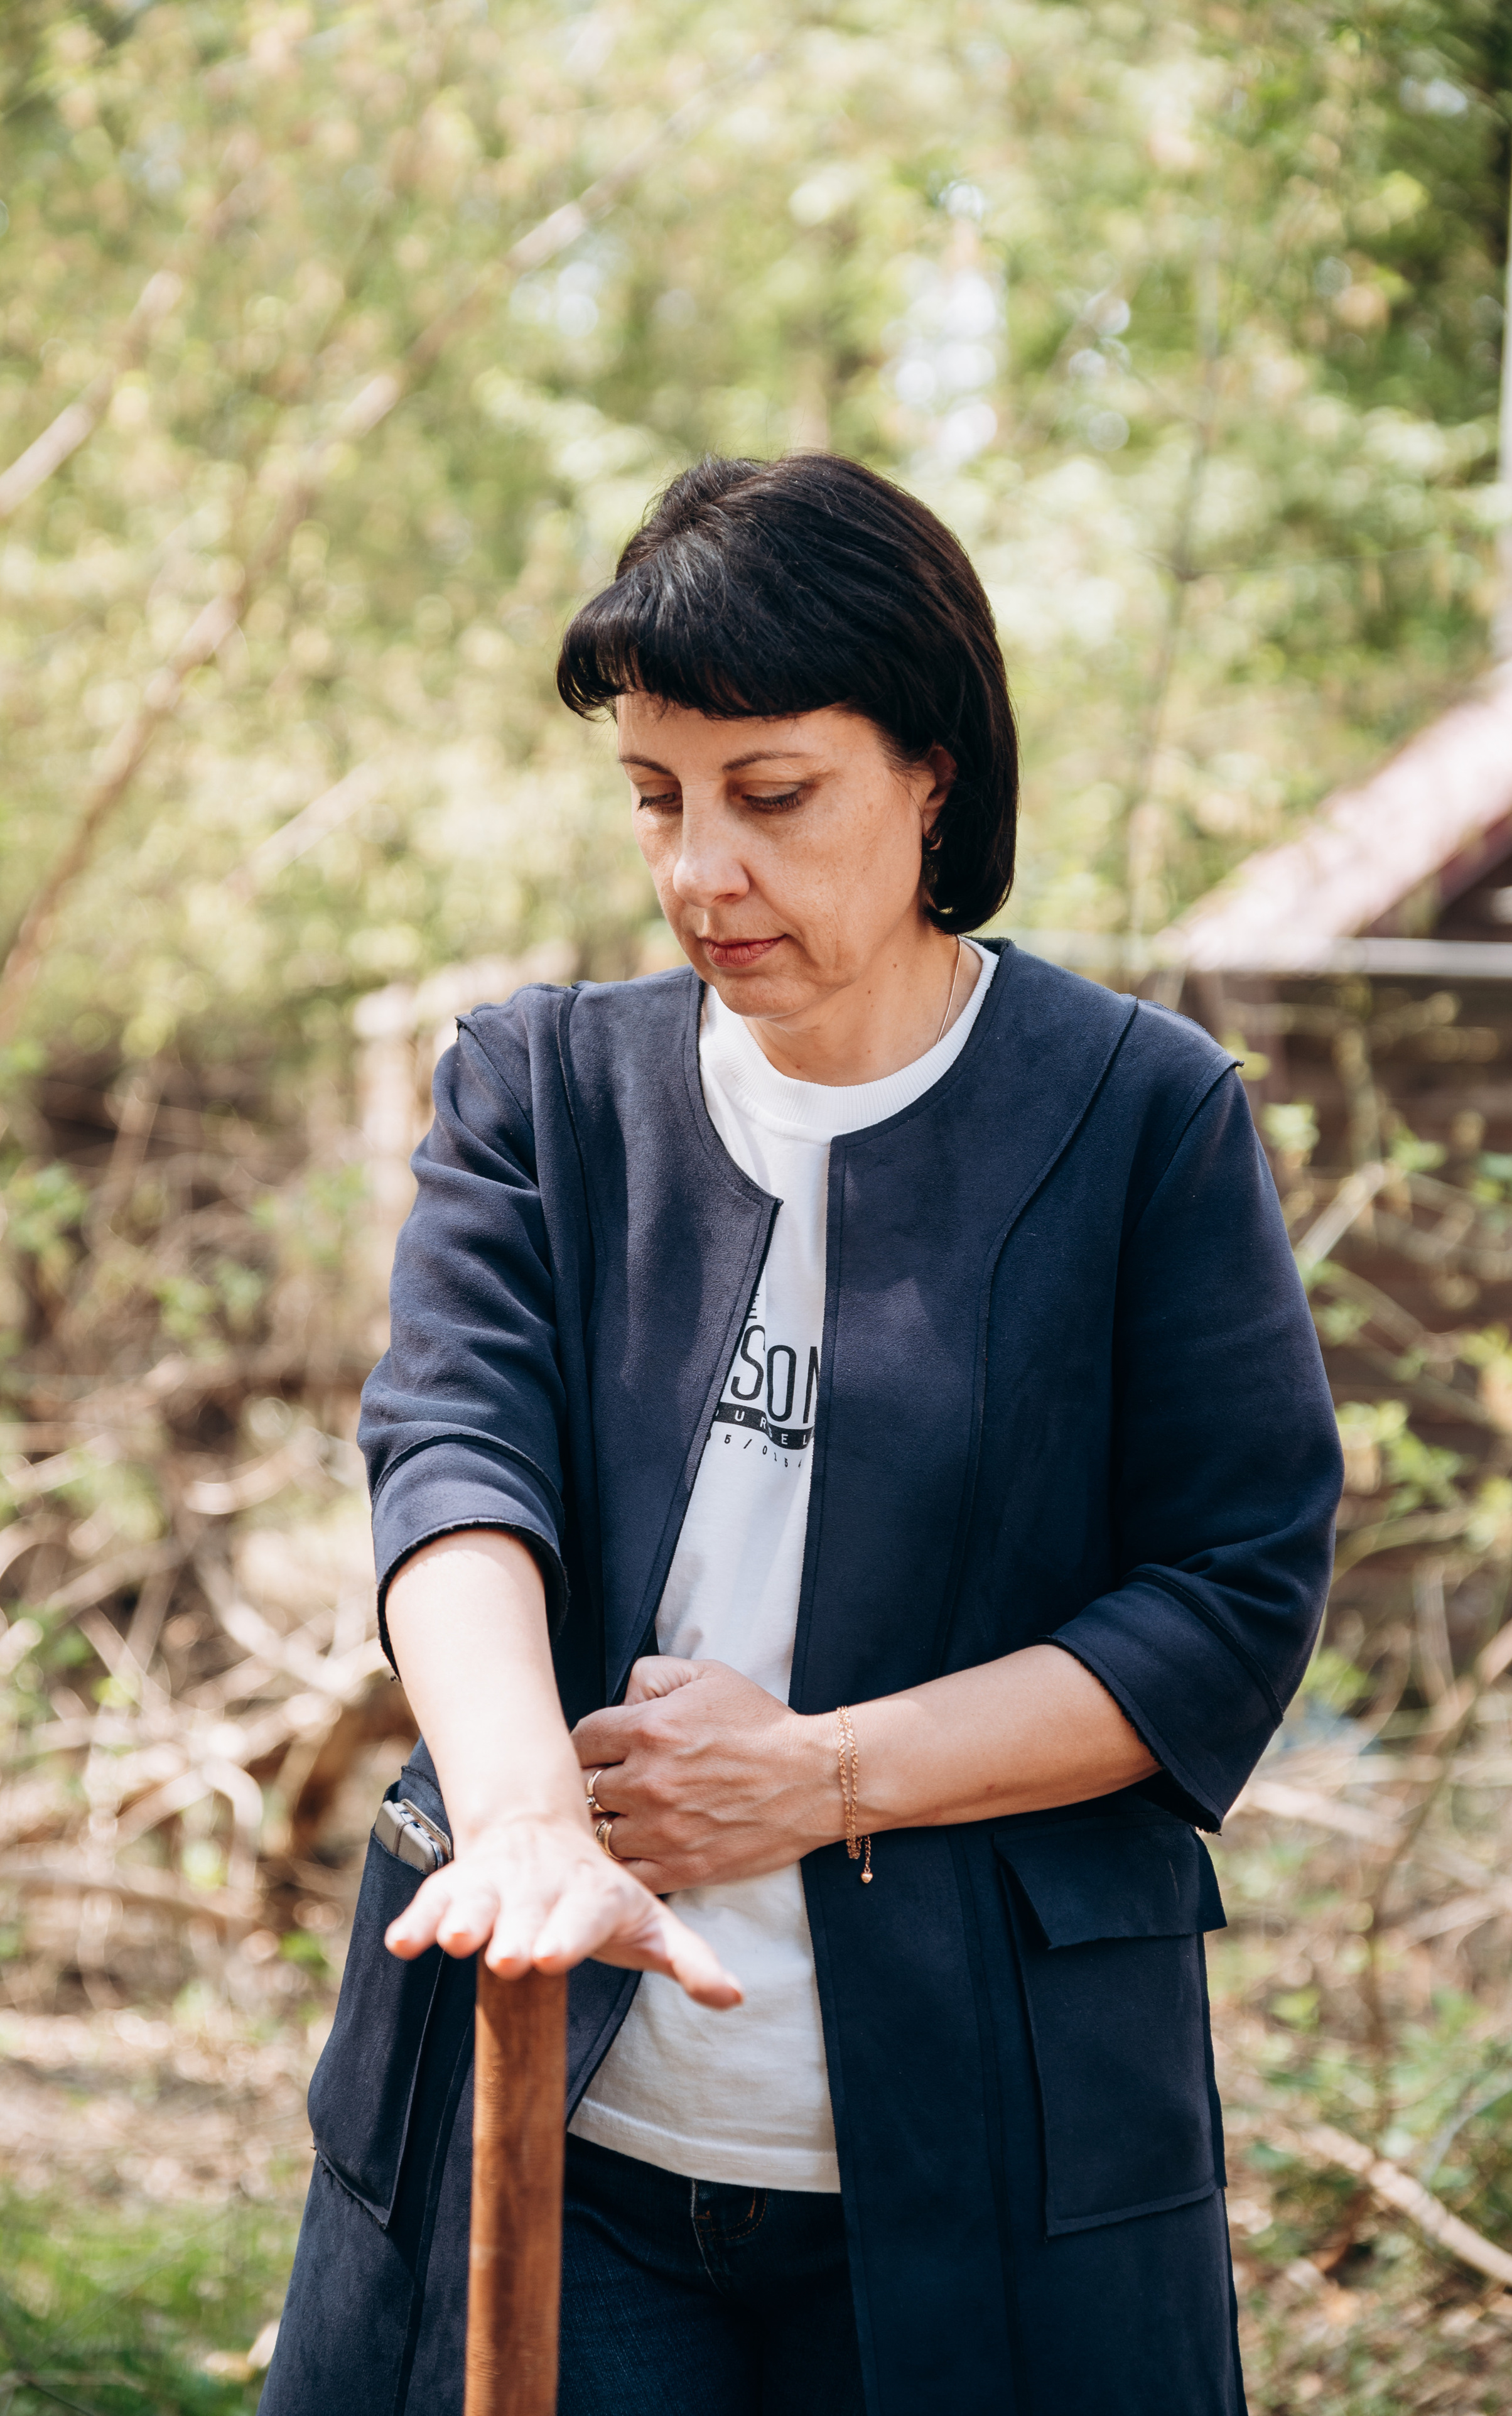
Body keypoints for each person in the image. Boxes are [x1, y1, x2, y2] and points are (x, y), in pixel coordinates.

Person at [259, 453, 1342, 2416]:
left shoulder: (1140, 1118)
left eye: (773, 799)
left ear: (935, 774)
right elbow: (451, 1468)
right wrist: (521, 1820)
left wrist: (827, 1775)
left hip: (989, 2165)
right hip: (552, 2148)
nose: (699, 875)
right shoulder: (539, 1091)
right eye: (657, 801)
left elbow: (1231, 1593)